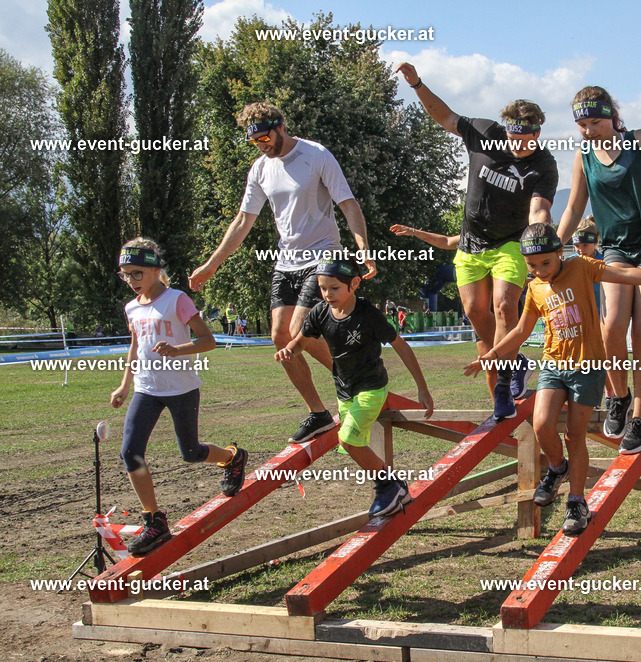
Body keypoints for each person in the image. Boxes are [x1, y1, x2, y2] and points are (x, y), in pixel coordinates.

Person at [464, 224, 641, 534]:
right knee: (541, 424)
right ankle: (557, 469)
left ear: (560, 253)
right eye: (532, 265)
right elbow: (520, 331)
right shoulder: (534, 289)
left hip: (588, 368)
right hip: (554, 367)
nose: (540, 271)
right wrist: (492, 354)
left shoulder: (581, 267)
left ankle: (577, 502)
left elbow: (623, 275)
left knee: (574, 435)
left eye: (546, 262)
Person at [189, 102, 376, 443]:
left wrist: (364, 248)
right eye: (254, 141)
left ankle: (351, 375)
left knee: (296, 330)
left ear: (280, 127)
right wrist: (212, 264)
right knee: (278, 336)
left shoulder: (316, 155)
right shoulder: (260, 169)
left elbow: (348, 204)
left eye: (264, 137)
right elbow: (243, 221)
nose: (261, 145)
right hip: (285, 262)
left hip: (322, 256)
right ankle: (319, 414)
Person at [395, 62, 558, 419]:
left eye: (527, 139)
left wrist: (541, 236)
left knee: (503, 306)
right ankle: (513, 359)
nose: (519, 145)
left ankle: (502, 385)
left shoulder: (544, 165)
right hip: (471, 244)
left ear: (539, 132)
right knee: (474, 313)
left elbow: (539, 209)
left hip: (510, 244)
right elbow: (445, 117)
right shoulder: (484, 132)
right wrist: (418, 84)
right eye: (514, 137)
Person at [555, 86, 641, 454]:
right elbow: (572, 208)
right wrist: (553, 244)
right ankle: (619, 396)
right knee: (612, 326)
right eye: (581, 124)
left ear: (612, 116)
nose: (588, 130)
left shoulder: (639, 141)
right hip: (615, 249)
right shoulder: (584, 156)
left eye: (595, 122)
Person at [110, 238, 248, 556]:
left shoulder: (177, 300)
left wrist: (177, 350)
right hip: (146, 389)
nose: (131, 281)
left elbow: (208, 340)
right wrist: (124, 385)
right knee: (130, 453)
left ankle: (232, 458)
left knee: (190, 452)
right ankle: (154, 520)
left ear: (156, 270)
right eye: (125, 275)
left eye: (136, 274)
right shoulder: (131, 307)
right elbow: (135, 348)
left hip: (181, 389)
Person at [276, 258, 434, 516]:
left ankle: (389, 486)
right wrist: (289, 350)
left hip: (372, 388)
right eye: (323, 288)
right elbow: (301, 340)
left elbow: (401, 346)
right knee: (351, 442)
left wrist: (422, 388)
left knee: (348, 439)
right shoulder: (320, 312)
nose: (328, 294)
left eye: (334, 288)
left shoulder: (368, 314)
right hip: (344, 391)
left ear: (355, 284)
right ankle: (392, 487)